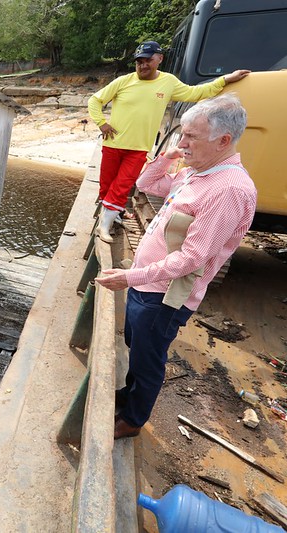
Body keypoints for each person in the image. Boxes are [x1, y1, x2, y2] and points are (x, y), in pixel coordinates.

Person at [96, 94, 257, 439]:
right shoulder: (196, 173)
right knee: (137, 347)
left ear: (223, 141)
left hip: (166, 295)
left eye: (190, 137)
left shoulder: (228, 189)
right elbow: (146, 185)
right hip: (147, 283)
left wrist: (129, 276)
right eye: (181, 134)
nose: (182, 143)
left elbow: (192, 258)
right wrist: (167, 156)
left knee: (148, 357)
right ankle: (128, 396)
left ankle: (133, 420)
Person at [87, 40, 250, 243]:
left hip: (138, 147)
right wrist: (102, 123)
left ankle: (105, 226)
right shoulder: (124, 81)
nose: (142, 65)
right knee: (107, 184)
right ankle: (113, 214)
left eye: (148, 60)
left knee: (122, 185)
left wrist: (224, 80)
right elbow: (95, 100)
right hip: (113, 144)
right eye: (139, 61)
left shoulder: (168, 82)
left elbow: (195, 93)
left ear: (159, 59)